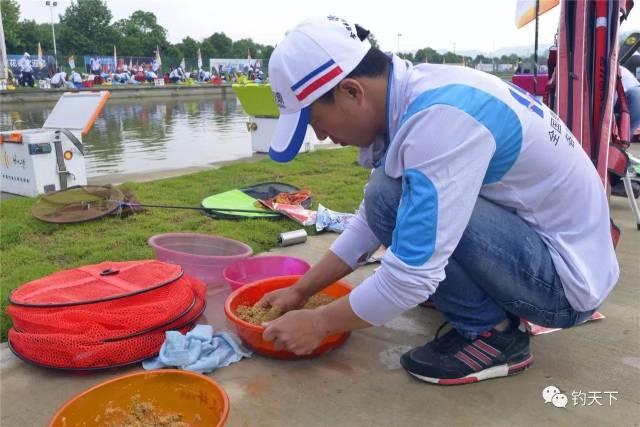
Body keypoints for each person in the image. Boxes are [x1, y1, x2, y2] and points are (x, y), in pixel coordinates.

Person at [257, 16, 619, 385]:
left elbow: (410, 278)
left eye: (316, 120)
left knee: (397, 202)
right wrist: (302, 290)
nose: (321, 135)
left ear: (352, 91)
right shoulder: (420, 91)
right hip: (547, 249)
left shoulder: (441, 121)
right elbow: (371, 218)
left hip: (564, 285)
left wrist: (318, 323)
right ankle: (476, 304)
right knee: (388, 193)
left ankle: (492, 336)